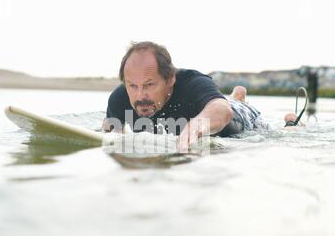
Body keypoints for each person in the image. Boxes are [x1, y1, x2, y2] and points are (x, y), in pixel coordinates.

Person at [103, 41, 265, 152]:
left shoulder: (193, 83)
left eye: (149, 85)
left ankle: (238, 97)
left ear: (171, 78)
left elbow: (222, 110)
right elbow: (109, 135)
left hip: (240, 116)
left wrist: (196, 126)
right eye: (132, 85)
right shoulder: (120, 98)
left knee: (231, 104)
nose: (140, 96)